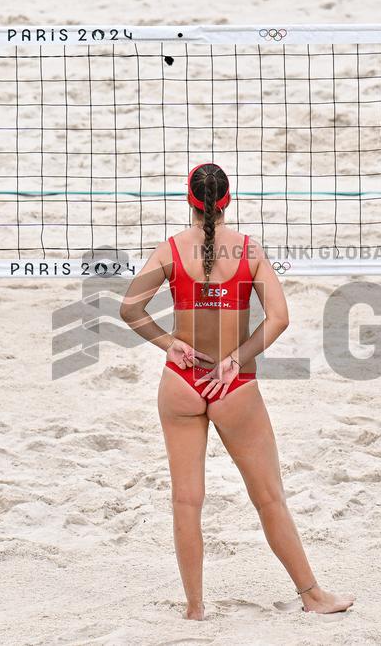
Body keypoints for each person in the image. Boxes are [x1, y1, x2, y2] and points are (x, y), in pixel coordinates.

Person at [120, 163, 354, 620]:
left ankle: (194, 607)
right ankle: (312, 595)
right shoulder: (248, 251)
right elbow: (280, 318)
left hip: (181, 381)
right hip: (234, 384)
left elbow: (130, 309)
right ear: (227, 202)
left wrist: (171, 344)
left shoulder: (170, 250)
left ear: (189, 201)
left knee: (186, 500)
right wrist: (236, 358)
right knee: (269, 498)